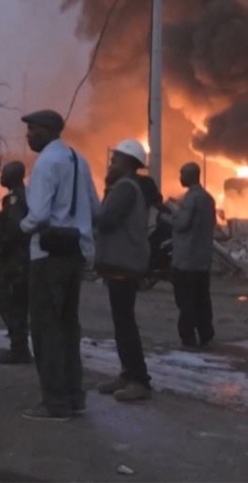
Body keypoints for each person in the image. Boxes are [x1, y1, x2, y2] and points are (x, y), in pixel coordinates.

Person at [19, 109, 99, 422]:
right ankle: (74, 395)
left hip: (48, 256)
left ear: (49, 131)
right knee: (67, 327)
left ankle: (53, 402)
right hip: (74, 253)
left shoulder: (46, 163)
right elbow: (95, 208)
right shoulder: (79, 159)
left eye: (32, 130)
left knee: (45, 328)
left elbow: (38, 216)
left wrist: (20, 227)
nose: (28, 136)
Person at [93, 139, 154, 403]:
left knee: (125, 324)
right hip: (124, 262)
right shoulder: (130, 187)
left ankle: (139, 380)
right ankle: (128, 373)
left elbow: (105, 220)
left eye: (115, 159)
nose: (111, 163)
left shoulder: (124, 188)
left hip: (123, 262)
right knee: (122, 322)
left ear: (129, 163)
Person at [171, 162, 217, 348]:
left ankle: (188, 336)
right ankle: (206, 333)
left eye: (182, 174)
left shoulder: (191, 199)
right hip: (203, 259)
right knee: (202, 299)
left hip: (186, 260)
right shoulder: (208, 198)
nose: (180, 178)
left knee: (186, 300)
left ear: (191, 176)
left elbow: (182, 224)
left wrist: (172, 215)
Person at [0, 161, 33, 365]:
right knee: (16, 305)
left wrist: (2, 251)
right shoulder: (21, 197)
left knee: (12, 305)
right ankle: (19, 346)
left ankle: (18, 349)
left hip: (14, 263)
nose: (1, 176)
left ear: (14, 176)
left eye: (4, 173)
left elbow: (13, 230)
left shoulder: (15, 200)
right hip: (18, 262)